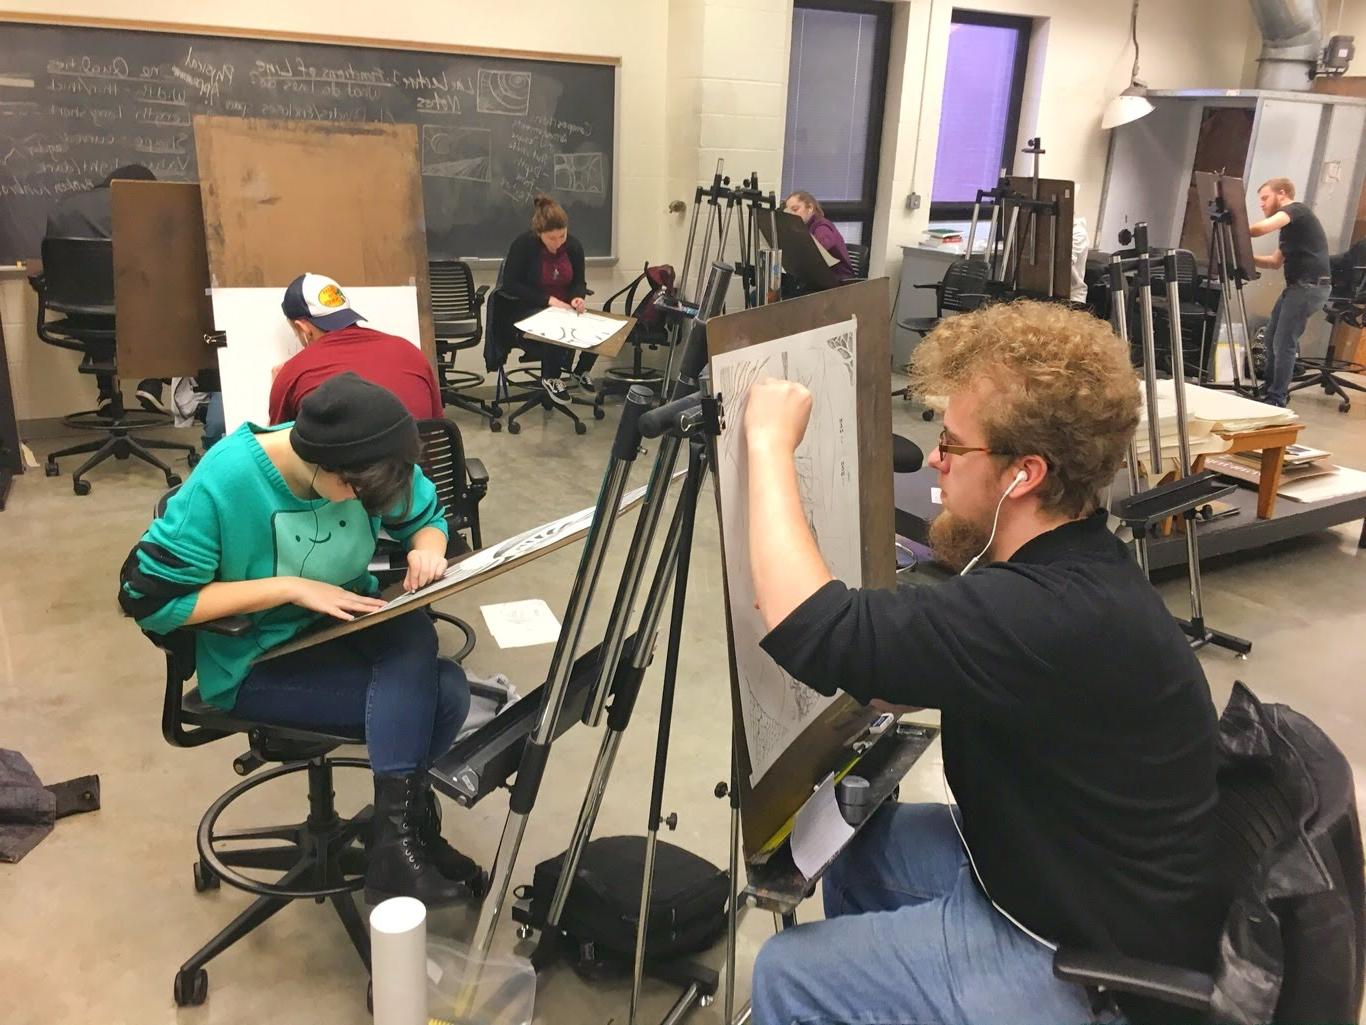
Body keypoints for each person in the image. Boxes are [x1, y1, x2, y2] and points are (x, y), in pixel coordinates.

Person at [743, 301, 1223, 1025]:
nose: (936, 459)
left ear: (1023, 474)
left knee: (787, 972)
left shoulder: (1047, 614)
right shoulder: (1070, 562)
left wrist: (766, 445)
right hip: (1059, 874)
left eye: (953, 445)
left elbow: (815, 629)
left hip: (1085, 957)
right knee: (857, 846)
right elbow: (932, 664)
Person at [119, 373, 478, 907]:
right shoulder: (227, 480)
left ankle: (399, 841)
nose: (364, 506)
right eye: (355, 495)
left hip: (336, 624)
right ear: (326, 469)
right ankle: (401, 845)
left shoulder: (362, 455)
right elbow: (146, 599)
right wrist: (288, 587)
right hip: (255, 659)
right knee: (441, 694)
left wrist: (428, 546)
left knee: (419, 643)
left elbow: (423, 515)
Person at [44, 163, 168, 416]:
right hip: (133, 316)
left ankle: (107, 391)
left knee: (97, 306)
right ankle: (152, 382)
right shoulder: (138, 206)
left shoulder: (64, 207)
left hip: (78, 316)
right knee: (176, 299)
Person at [268, 272, 443, 424]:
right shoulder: (409, 351)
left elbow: (271, 452)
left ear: (303, 328)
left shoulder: (294, 371)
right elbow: (437, 428)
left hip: (344, 463)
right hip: (415, 462)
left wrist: (279, 383)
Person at [499, 194, 595, 406]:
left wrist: (577, 297)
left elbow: (579, 282)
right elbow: (511, 284)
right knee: (555, 321)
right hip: (526, 308)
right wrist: (549, 300)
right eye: (552, 238)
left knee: (599, 323)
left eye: (562, 236)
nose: (558, 243)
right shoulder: (524, 245)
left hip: (564, 307)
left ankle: (580, 371)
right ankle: (551, 377)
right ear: (539, 233)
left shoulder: (574, 247)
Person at [1248, 177, 1332, 407]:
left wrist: (1237, 231)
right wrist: (1245, 258)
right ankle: (1271, 389)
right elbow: (1275, 262)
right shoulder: (1290, 229)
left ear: (1282, 193)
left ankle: (1277, 398)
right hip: (1297, 287)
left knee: (1284, 342)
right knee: (1272, 338)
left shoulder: (1295, 210)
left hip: (1308, 287)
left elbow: (1260, 229)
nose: (1262, 204)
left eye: (1265, 198)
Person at [782, 191, 854, 282]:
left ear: (810, 208)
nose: (791, 214)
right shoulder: (804, 227)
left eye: (795, 209)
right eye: (789, 211)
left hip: (838, 280)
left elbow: (818, 251)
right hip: (821, 277)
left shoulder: (822, 226)